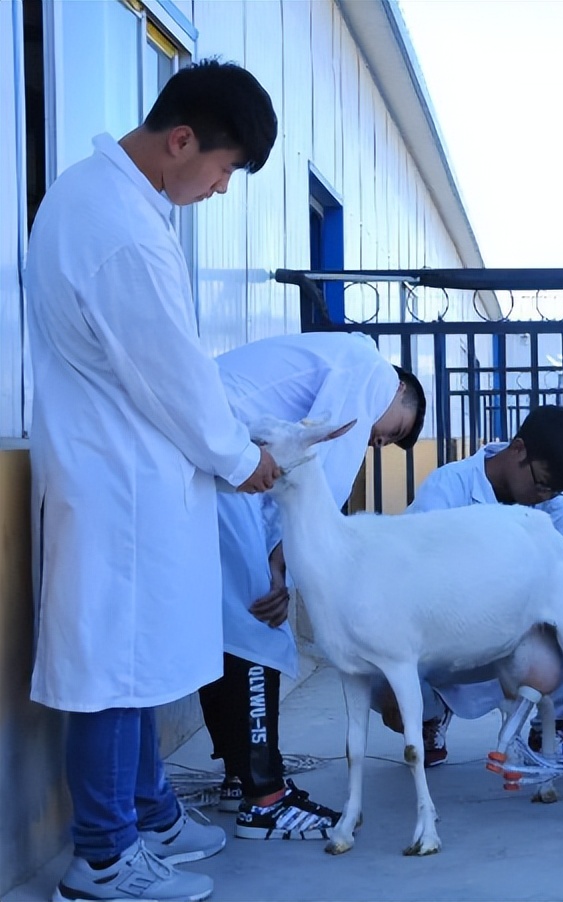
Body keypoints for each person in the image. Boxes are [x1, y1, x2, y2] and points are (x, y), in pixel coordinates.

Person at [26, 61, 280, 902]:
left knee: (130, 661)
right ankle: (102, 857)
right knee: (110, 668)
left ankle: (148, 811)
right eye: (224, 169)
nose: (220, 188)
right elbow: (172, 371)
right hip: (118, 487)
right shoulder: (122, 230)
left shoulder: (102, 199)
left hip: (122, 477)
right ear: (181, 141)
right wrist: (245, 459)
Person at [197, 332, 425, 840]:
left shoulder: (332, 358)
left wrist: (276, 557)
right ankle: (266, 800)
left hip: (211, 451)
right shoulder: (371, 373)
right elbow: (326, 471)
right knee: (260, 622)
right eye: (394, 431)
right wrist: (282, 564)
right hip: (222, 452)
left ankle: (240, 773)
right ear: (400, 392)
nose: (379, 441)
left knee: (227, 624)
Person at [376, 405, 563, 764]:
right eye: (542, 483)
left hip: (514, 642)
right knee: (376, 677)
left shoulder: (546, 500)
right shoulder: (449, 487)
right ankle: (432, 715)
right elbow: (410, 576)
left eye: (554, 491)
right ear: (519, 449)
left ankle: (552, 726)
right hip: (452, 642)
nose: (545, 496)